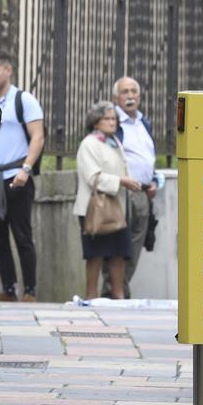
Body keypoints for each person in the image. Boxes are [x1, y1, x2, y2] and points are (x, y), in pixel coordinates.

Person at [0, 52, 43, 301]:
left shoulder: (23, 100)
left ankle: (30, 291)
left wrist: (26, 169)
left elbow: (38, 136)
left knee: (22, 235)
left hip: (16, 176)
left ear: (8, 70)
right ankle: (10, 289)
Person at [74, 100, 141, 301]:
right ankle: (91, 296)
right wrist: (121, 181)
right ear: (96, 122)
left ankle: (118, 295)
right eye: (107, 119)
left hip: (117, 208)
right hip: (95, 208)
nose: (112, 123)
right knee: (95, 255)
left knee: (118, 253)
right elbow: (93, 177)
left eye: (114, 119)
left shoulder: (114, 143)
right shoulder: (89, 144)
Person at [112, 76, 159, 292]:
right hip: (122, 191)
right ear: (116, 97)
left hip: (143, 193)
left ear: (139, 96)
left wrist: (155, 180)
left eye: (133, 91)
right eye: (125, 92)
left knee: (135, 247)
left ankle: (120, 289)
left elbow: (148, 157)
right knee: (118, 246)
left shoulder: (143, 122)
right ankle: (112, 291)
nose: (130, 96)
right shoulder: (112, 122)